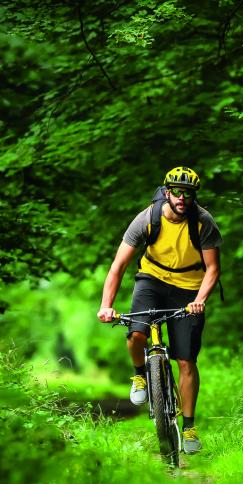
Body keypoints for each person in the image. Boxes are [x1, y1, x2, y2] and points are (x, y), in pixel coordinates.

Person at [97, 166, 223, 454]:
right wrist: (106, 305)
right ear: (167, 193)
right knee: (136, 335)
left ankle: (189, 428)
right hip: (152, 281)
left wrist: (199, 299)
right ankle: (140, 373)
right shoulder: (147, 218)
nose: (181, 198)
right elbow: (118, 267)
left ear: (193, 197)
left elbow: (213, 269)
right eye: (176, 192)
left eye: (187, 194)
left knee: (186, 361)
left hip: (189, 289)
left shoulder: (203, 222)